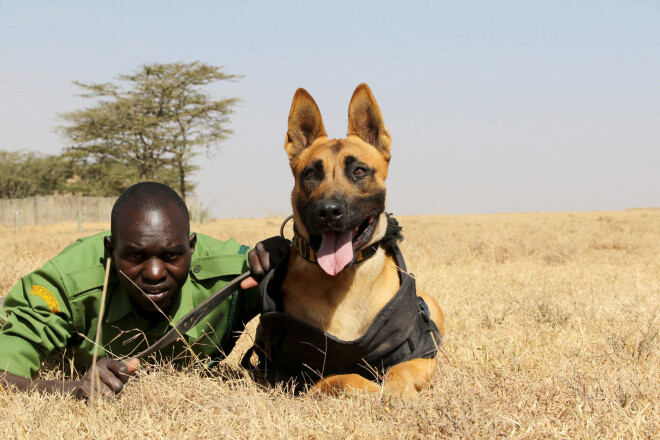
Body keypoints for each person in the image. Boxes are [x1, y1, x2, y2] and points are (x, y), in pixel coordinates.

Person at [0, 182, 286, 399]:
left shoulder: (237, 276)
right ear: (111, 251)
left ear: (191, 248)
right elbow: (3, 374)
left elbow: (313, 283)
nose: (154, 273)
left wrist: (290, 265)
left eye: (172, 256)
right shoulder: (67, 285)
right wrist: (75, 388)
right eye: (136, 257)